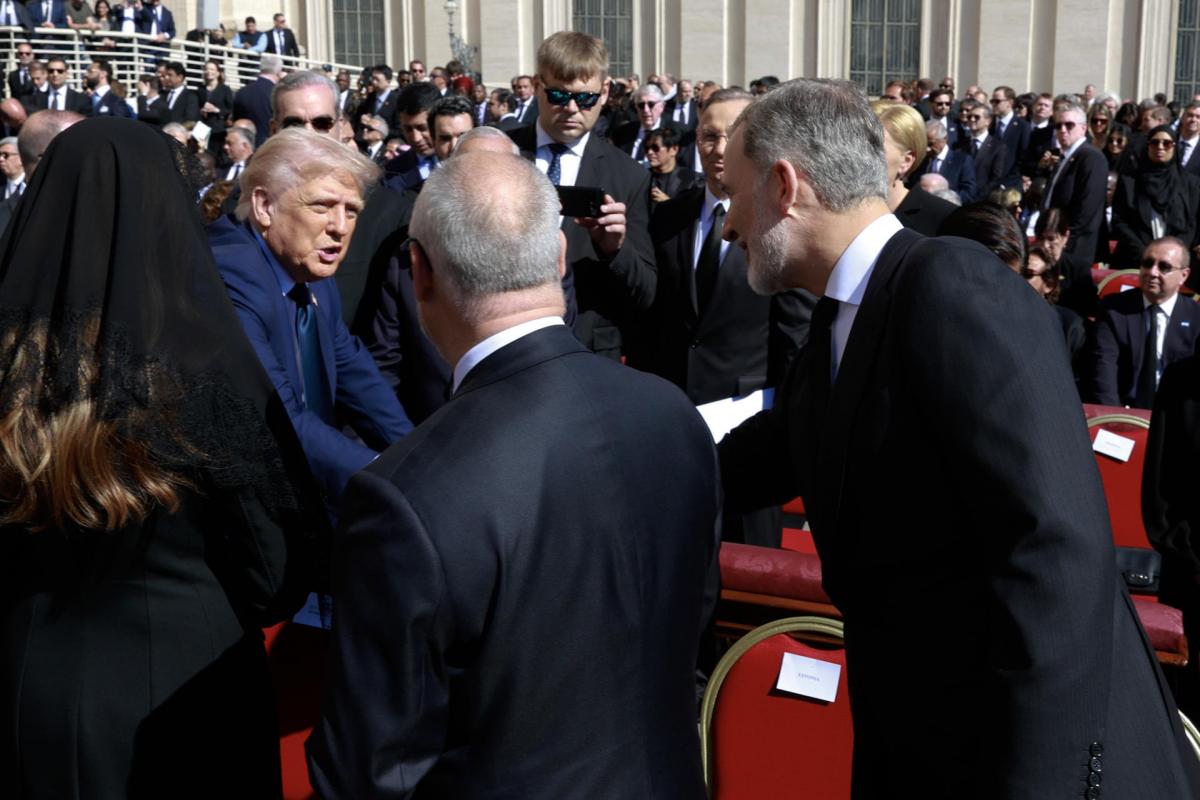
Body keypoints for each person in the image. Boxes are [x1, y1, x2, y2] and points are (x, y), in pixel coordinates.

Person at [716, 78, 1200, 798]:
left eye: (733, 193)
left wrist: (1038, 783)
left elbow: (1053, 550)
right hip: (923, 745)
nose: (728, 224)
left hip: (1029, 761)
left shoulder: (951, 285)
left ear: (785, 186)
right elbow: (766, 453)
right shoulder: (843, 319)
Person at [307, 149, 719, 799]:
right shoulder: (672, 417)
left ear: (418, 274)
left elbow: (368, 766)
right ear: (560, 257)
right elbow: (690, 627)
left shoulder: (404, 496)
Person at [0, 116, 327, 797]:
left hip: (30, 694)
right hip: (186, 697)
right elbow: (276, 567)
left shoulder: (10, 369)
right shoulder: (205, 372)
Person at [208, 128, 412, 504]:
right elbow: (281, 419)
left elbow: (355, 372)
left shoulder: (308, 266)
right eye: (321, 206)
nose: (340, 227)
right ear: (264, 207)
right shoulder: (231, 274)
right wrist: (394, 482)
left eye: (351, 211)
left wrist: (416, 458)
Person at [508, 31, 655, 359]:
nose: (572, 108)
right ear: (536, 87)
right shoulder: (501, 151)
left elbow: (645, 293)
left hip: (587, 352)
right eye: (559, 95)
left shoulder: (629, 177)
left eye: (585, 98)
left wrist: (614, 250)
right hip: (506, 341)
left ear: (604, 92)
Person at [1088, 236, 1200, 408]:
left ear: (1183, 276)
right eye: (1147, 263)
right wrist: (1116, 420)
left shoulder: (1195, 316)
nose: (1152, 272)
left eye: (1164, 267)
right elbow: (1103, 371)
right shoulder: (1114, 310)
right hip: (1123, 412)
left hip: (1176, 416)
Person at [1110, 125, 1200, 268]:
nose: (1160, 147)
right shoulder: (1129, 181)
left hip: (1173, 263)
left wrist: (1172, 254)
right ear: (1147, 146)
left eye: (1167, 143)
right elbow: (1119, 221)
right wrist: (1145, 254)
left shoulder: (1190, 184)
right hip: (1133, 261)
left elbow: (1191, 224)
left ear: (1175, 146)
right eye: (1154, 142)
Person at [873, 99, 956, 234]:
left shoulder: (946, 220)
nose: (857, 156)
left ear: (906, 161)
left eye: (873, 149)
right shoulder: (839, 214)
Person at [232, 53, 283, 147]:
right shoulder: (278, 94)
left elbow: (236, 122)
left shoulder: (241, 92)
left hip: (245, 147)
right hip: (270, 147)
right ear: (278, 72)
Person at [199, 58, 233, 156]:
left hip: (219, 128)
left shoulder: (225, 90)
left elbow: (230, 110)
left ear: (218, 72)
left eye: (212, 69)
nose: (209, 71)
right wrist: (201, 110)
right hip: (203, 128)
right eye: (206, 69)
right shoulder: (200, 89)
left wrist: (216, 110)